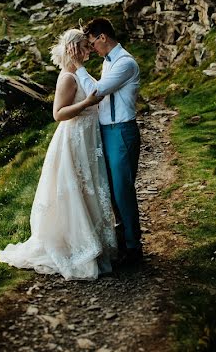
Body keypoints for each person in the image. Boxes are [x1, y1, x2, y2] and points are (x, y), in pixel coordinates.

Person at [0, 29, 117, 280]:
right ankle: (78, 245)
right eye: (84, 47)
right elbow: (58, 113)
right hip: (74, 139)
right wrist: (87, 104)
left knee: (90, 187)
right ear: (73, 49)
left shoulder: (79, 74)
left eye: (88, 45)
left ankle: (97, 242)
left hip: (88, 138)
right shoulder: (67, 78)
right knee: (77, 188)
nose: (89, 50)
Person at [71, 18, 143, 266]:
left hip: (121, 131)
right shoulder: (108, 62)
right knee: (111, 189)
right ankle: (122, 243)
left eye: (92, 43)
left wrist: (78, 66)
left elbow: (96, 93)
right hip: (107, 131)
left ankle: (134, 248)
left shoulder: (125, 63)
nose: (92, 48)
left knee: (123, 191)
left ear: (103, 37)